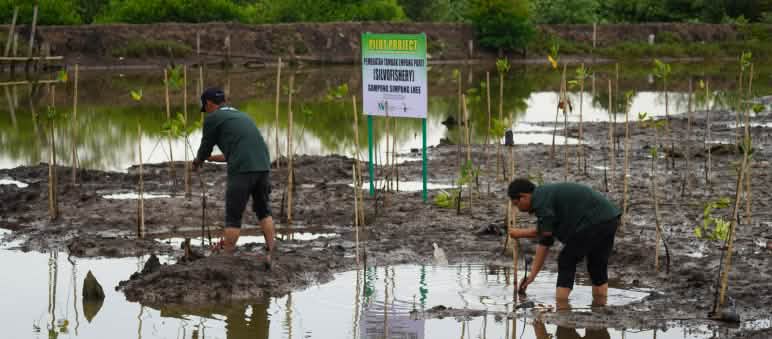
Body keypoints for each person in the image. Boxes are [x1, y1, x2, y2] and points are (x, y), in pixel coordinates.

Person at [192, 87, 276, 266]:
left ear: (208, 104)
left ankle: (226, 258)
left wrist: (198, 162)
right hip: (262, 166)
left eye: (205, 108)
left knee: (233, 217)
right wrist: (211, 159)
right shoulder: (241, 116)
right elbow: (236, 153)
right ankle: (271, 252)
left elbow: (205, 146)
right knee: (263, 210)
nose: (205, 111)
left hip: (242, 171)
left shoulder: (213, 119)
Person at [507, 178, 620, 305]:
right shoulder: (544, 196)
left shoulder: (540, 200)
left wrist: (519, 233)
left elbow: (544, 233)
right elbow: (546, 240)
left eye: (516, 204)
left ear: (524, 197)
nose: (518, 208)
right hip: (610, 218)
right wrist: (532, 276)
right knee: (596, 264)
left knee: (566, 260)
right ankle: (600, 307)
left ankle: (562, 308)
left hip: (593, 222)